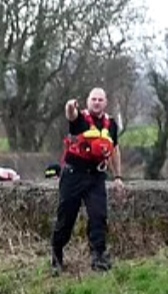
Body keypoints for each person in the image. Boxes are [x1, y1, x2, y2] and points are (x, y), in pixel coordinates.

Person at [51, 87, 125, 275]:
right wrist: (69, 106)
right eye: (94, 99)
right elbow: (70, 114)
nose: (97, 102)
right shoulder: (80, 119)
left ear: (105, 102)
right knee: (66, 218)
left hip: (96, 176)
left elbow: (114, 150)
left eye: (100, 99)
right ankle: (56, 255)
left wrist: (117, 176)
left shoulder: (111, 125)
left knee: (99, 217)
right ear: (88, 101)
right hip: (74, 175)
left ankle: (98, 256)